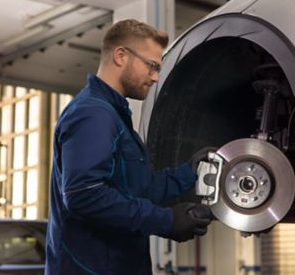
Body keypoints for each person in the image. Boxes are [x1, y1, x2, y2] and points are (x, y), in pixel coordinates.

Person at [46, 19, 213, 275]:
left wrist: (188, 174)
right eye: (152, 66)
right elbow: (84, 195)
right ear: (121, 56)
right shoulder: (93, 114)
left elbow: (137, 187)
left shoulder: (112, 114)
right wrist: (166, 221)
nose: (156, 77)